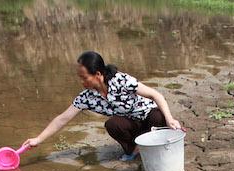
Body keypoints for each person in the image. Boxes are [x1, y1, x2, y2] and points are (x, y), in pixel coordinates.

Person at [22, 51, 182, 162]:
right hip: (131, 123)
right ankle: (134, 150)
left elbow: (156, 95)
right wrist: (38, 139)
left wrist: (170, 119)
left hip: (148, 118)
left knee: (157, 116)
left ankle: (145, 146)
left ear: (98, 75)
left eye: (84, 78)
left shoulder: (121, 80)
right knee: (112, 124)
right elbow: (62, 118)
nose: (82, 82)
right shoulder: (87, 97)